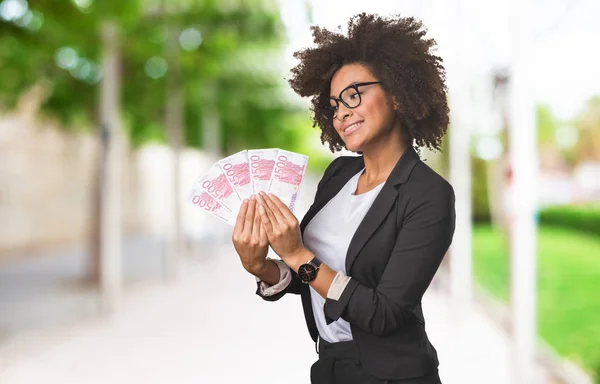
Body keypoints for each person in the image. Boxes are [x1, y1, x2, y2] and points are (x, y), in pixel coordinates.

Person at [232, 13, 455, 384]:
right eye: (335, 104)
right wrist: (263, 268)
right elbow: (315, 279)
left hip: (392, 375)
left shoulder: (428, 195)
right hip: (330, 368)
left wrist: (297, 254)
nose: (341, 113)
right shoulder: (338, 175)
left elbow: (385, 313)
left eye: (354, 95)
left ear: (398, 93)